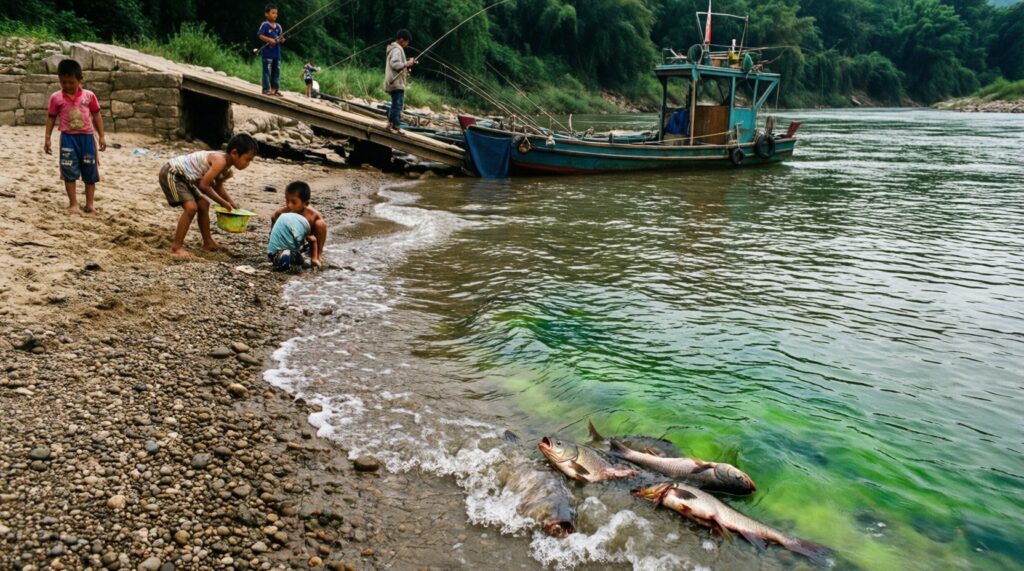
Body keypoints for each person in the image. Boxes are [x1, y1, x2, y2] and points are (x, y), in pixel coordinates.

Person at [159, 133, 258, 258]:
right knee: (191, 208)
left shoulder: (226, 165)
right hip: (172, 173)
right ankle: (176, 247)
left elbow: (217, 186)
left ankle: (208, 242)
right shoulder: (220, 161)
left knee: (204, 204)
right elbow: (204, 186)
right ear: (234, 153)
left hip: (186, 179)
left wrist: (230, 201)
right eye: (247, 159)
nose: (248, 163)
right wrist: (223, 203)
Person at [43, 59, 106, 215]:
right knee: (69, 170)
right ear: (59, 80)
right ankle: (73, 204)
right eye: (63, 82)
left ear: (79, 79)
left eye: (71, 82)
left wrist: (102, 136)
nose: (68, 86)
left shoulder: (89, 96)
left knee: (90, 171)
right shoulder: (56, 98)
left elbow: (97, 115)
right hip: (68, 139)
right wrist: (47, 138)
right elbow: (51, 118)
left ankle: (90, 204)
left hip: (87, 139)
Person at [270, 181, 326, 268]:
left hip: (306, 239)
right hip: (290, 242)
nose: (289, 205)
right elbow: (274, 216)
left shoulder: (312, 216)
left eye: (293, 202)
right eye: (287, 200)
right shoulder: (283, 212)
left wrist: (315, 257)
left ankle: (318, 254)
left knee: (320, 224)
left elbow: (313, 239)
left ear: (305, 204)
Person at [383, 29, 415, 134]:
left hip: (394, 82)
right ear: (402, 40)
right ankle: (396, 126)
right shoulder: (397, 49)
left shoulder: (394, 49)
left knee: (395, 105)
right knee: (398, 105)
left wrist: (406, 65)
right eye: (407, 42)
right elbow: (395, 64)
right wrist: (407, 63)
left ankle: (390, 125)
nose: (407, 44)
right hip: (396, 83)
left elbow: (397, 66)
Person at [257, 3, 285, 96]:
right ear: (266, 14)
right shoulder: (264, 25)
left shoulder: (278, 26)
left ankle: (274, 90)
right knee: (267, 72)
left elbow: (281, 37)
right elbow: (260, 35)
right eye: (273, 13)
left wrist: (281, 39)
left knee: (276, 72)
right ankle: (266, 89)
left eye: (276, 13)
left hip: (277, 54)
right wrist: (270, 40)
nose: (275, 15)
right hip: (267, 53)